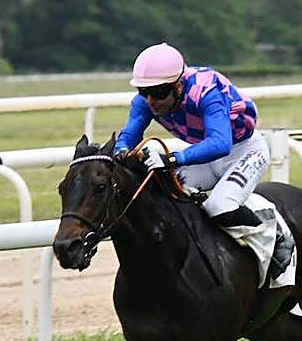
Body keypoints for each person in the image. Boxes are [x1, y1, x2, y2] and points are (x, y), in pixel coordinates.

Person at [115, 42, 269, 228]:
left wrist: (172, 159)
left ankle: (274, 234)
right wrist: (121, 149)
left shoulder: (206, 91)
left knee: (219, 206)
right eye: (144, 91)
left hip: (245, 152)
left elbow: (221, 143)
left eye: (158, 92)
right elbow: (129, 136)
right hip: (206, 157)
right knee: (162, 196)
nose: (151, 101)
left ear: (178, 86)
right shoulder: (145, 102)